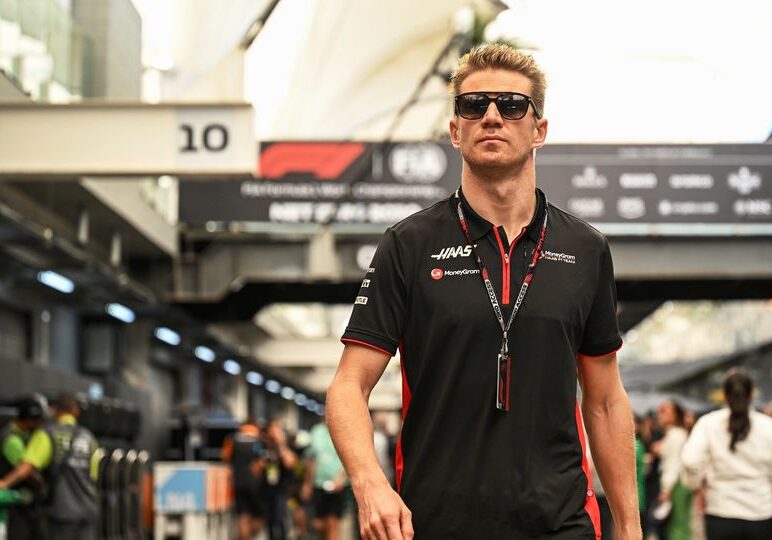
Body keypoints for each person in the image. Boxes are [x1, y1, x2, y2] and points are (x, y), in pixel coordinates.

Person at [327, 43, 640, 540]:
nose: (492, 116)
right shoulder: (408, 245)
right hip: (436, 523)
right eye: (473, 106)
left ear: (539, 129)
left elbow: (604, 400)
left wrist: (628, 525)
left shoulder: (585, 250)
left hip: (561, 523)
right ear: (456, 131)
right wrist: (370, 485)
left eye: (512, 105)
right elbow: (348, 387)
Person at [681, 369, 772, 540]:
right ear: (752, 394)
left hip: (721, 513)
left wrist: (697, 486)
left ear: (724, 395)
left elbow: (690, 460)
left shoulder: (708, 423)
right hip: (761, 515)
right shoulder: (768, 426)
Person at [0, 394, 99, 540]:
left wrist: (4, 484)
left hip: (60, 512)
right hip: (88, 510)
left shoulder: (48, 433)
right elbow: (93, 475)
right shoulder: (89, 437)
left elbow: (26, 468)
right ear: (76, 412)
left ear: (55, 411)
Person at [0, 397, 45, 539]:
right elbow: (25, 470)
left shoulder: (23, 435)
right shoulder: (12, 439)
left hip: (22, 502)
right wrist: (41, 482)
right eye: (36, 420)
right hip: (14, 505)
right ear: (29, 419)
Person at [221, 418, 267, 540]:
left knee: (243, 515)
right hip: (255, 484)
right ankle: (246, 536)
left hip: (238, 482)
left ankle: (243, 537)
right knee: (259, 516)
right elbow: (261, 462)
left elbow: (225, 457)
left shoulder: (232, 439)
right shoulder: (258, 440)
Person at [651, 400, 690, 540]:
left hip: (676, 483)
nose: (661, 415)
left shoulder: (676, 435)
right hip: (677, 482)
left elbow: (673, 463)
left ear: (676, 415)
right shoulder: (675, 433)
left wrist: (666, 488)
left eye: (665, 412)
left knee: (677, 523)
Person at [302, 421, 347, 540]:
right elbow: (312, 458)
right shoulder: (317, 431)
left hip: (338, 485)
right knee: (318, 524)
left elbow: (349, 457)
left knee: (333, 522)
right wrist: (307, 483)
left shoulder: (344, 430)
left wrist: (341, 477)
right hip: (319, 484)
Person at [261, 419, 298, 540]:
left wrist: (281, 443)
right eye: (274, 428)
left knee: (281, 520)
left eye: (279, 429)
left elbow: (290, 462)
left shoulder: (286, 446)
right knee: (269, 523)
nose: (276, 432)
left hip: (282, 490)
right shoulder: (263, 446)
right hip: (266, 490)